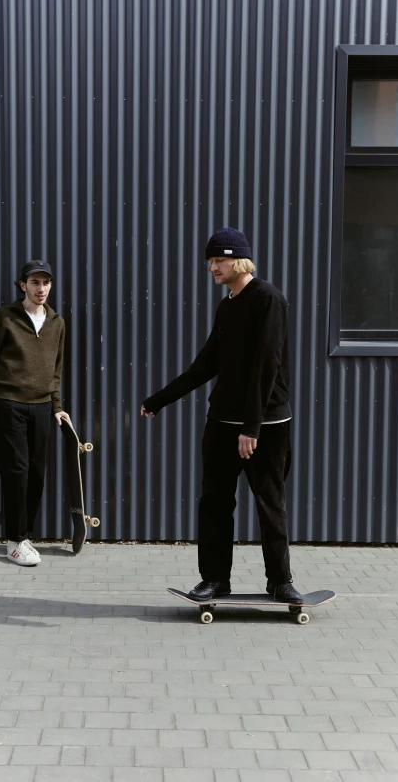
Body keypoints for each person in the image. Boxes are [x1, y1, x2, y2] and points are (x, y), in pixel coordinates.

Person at [141, 228, 303, 604]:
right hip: (222, 422)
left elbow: (267, 365)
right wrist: (161, 399)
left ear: (239, 261)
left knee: (270, 503)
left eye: (219, 260)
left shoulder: (267, 299)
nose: (212, 267)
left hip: (266, 425)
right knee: (214, 502)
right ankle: (215, 580)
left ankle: (280, 581)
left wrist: (252, 427)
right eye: (210, 261)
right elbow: (207, 364)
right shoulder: (228, 303)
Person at [0, 260, 71, 566]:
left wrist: (57, 407)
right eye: (35, 283)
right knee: (16, 472)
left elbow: (56, 370)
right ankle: (15, 541)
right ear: (22, 285)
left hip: (42, 407)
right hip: (9, 402)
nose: (41, 289)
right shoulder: (5, 318)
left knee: (37, 473)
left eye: (46, 283)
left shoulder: (57, 322)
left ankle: (24, 535)